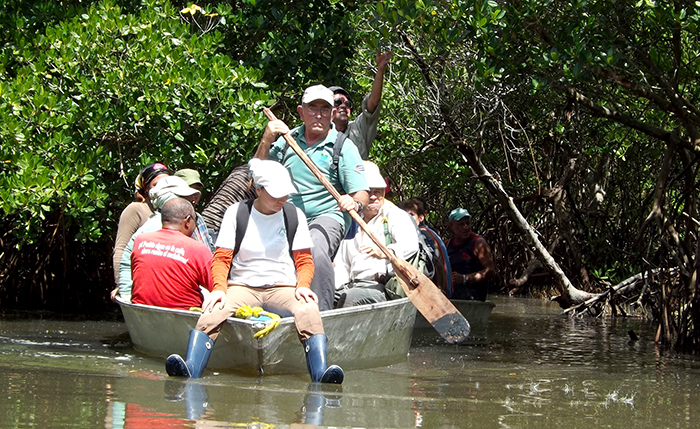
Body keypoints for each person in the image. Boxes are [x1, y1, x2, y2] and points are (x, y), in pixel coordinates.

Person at [165, 158, 344, 384]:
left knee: (308, 309)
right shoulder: (236, 213)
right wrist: (219, 289)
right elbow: (221, 258)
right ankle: (191, 368)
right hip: (243, 285)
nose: (282, 198)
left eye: (285, 193)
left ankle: (320, 374)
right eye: (275, 193)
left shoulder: (294, 214)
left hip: (283, 286)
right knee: (213, 309)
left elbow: (304, 260)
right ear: (258, 189)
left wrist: (303, 286)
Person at [255, 84, 369, 312]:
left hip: (327, 216)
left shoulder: (343, 147)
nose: (318, 114)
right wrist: (266, 140)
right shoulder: (286, 141)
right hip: (286, 218)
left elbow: (362, 194)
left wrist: (353, 202)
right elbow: (255, 178)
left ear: (333, 114)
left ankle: (319, 317)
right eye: (312, 108)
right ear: (301, 112)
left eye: (325, 109)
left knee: (313, 247)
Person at [334, 161, 418, 306]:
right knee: (326, 298)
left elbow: (410, 245)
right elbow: (342, 264)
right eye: (368, 192)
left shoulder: (396, 215)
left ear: (384, 193)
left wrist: (384, 252)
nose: (373, 197)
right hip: (350, 285)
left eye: (377, 192)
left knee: (350, 299)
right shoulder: (352, 220)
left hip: (381, 288)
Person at [117, 176, 211, 299]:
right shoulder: (154, 227)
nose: (192, 201)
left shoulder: (196, 218)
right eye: (184, 198)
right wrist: (126, 292)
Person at [130, 197, 213, 310]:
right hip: (185, 316)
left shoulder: (141, 241)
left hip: (141, 312)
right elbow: (218, 286)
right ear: (187, 221)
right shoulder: (198, 249)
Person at [112, 163, 171, 283]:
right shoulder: (135, 210)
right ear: (147, 188)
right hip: (139, 281)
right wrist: (121, 285)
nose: (162, 188)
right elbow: (121, 249)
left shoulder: (173, 210)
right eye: (156, 184)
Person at [330, 51, 393, 160]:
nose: (343, 106)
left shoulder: (358, 127)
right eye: (337, 102)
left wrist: (380, 69)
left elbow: (373, 102)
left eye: (347, 103)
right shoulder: (317, 133)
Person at [400, 197, 453, 297]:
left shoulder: (421, 235)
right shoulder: (429, 231)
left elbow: (437, 263)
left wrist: (440, 292)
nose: (407, 218)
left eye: (411, 215)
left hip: (442, 291)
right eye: (405, 215)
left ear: (421, 217)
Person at [446, 208, 496, 301]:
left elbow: (490, 271)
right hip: (453, 290)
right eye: (461, 224)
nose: (466, 227)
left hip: (473, 293)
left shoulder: (478, 243)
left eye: (467, 223)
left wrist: (464, 278)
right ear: (451, 226)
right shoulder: (446, 245)